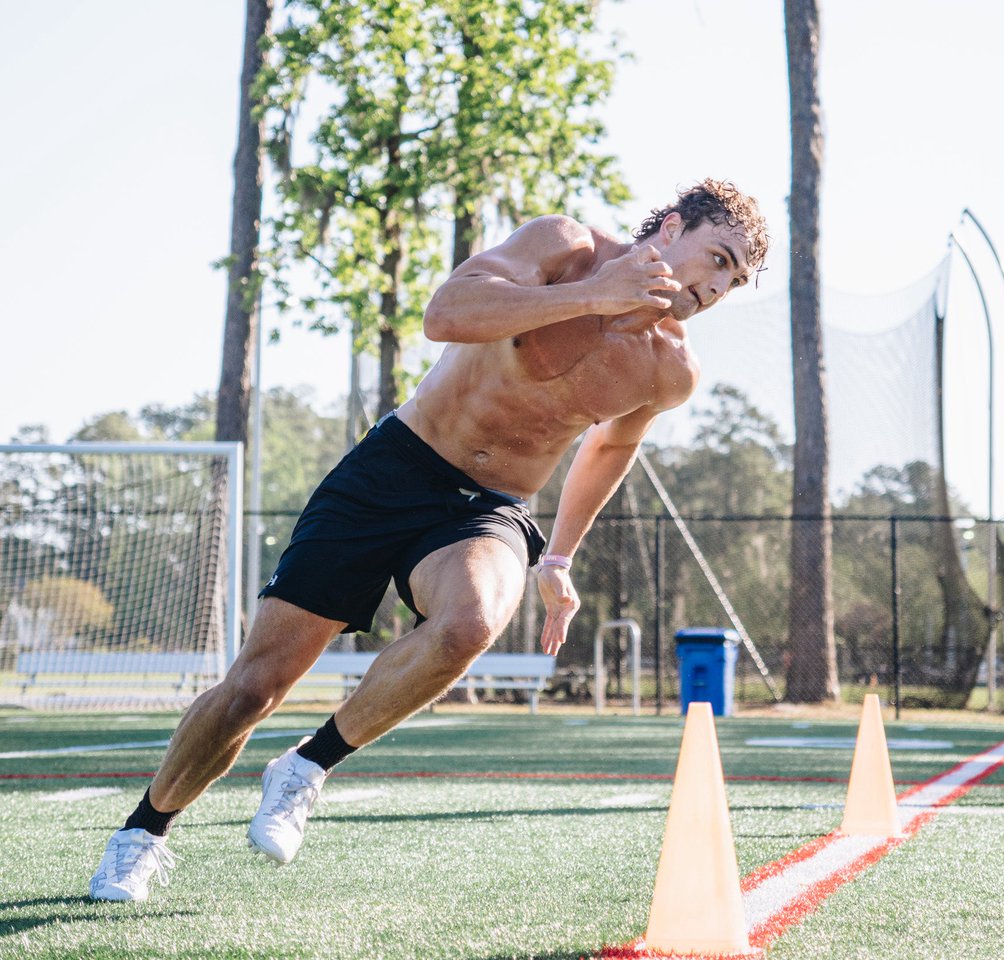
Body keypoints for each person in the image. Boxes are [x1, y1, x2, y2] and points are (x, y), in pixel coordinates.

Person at [88, 179, 769, 901]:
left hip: (489, 509)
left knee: (469, 623)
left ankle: (307, 766)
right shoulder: (563, 246)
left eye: (736, 279)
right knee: (254, 688)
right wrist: (596, 296)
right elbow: (444, 315)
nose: (720, 286)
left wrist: (560, 558)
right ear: (671, 227)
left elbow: (606, 451)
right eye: (718, 258)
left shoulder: (671, 371)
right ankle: (143, 832)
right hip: (394, 468)